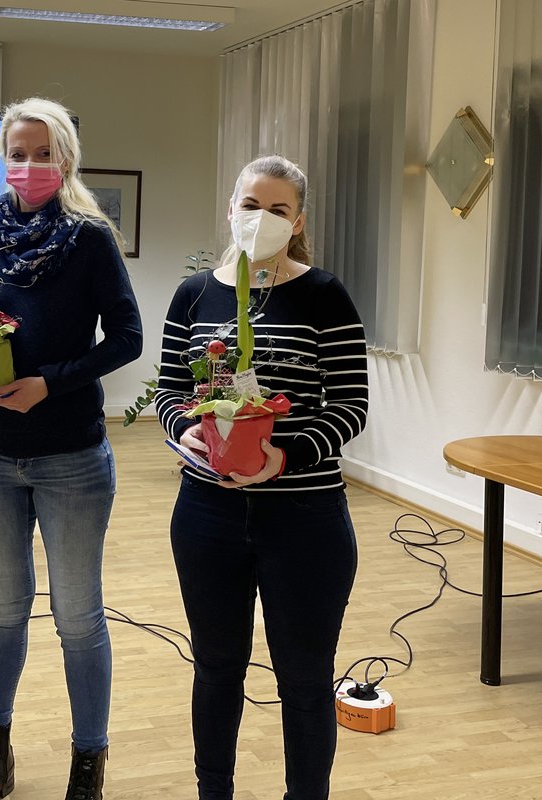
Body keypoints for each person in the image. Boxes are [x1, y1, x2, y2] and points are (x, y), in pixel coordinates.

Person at [0, 97, 143, 800]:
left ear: (66, 160)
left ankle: (88, 763)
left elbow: (127, 338)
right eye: (17, 153)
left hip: (71, 458)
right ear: (4, 157)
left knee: (78, 616)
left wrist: (49, 384)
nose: (28, 166)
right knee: (2, 608)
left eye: (42, 154)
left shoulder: (91, 240)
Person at [154, 154, 368, 800]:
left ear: (298, 221)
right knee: (216, 668)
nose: (262, 218)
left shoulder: (324, 296)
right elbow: (169, 391)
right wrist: (183, 430)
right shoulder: (195, 295)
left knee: (304, 680)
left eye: (278, 209)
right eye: (251, 205)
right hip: (208, 516)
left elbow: (351, 406)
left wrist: (285, 456)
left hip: (305, 519)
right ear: (231, 209)